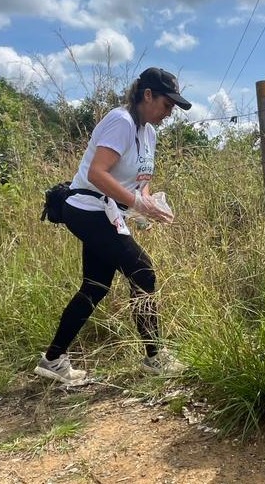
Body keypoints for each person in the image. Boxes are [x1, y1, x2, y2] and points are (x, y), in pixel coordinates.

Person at [34, 67, 190, 385]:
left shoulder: (149, 132)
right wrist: (135, 203)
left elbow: (141, 182)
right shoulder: (121, 121)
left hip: (110, 214)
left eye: (174, 106)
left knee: (96, 286)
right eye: (167, 104)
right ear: (147, 95)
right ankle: (155, 357)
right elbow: (97, 174)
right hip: (86, 208)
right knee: (142, 271)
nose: (170, 112)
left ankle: (53, 360)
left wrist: (148, 205)